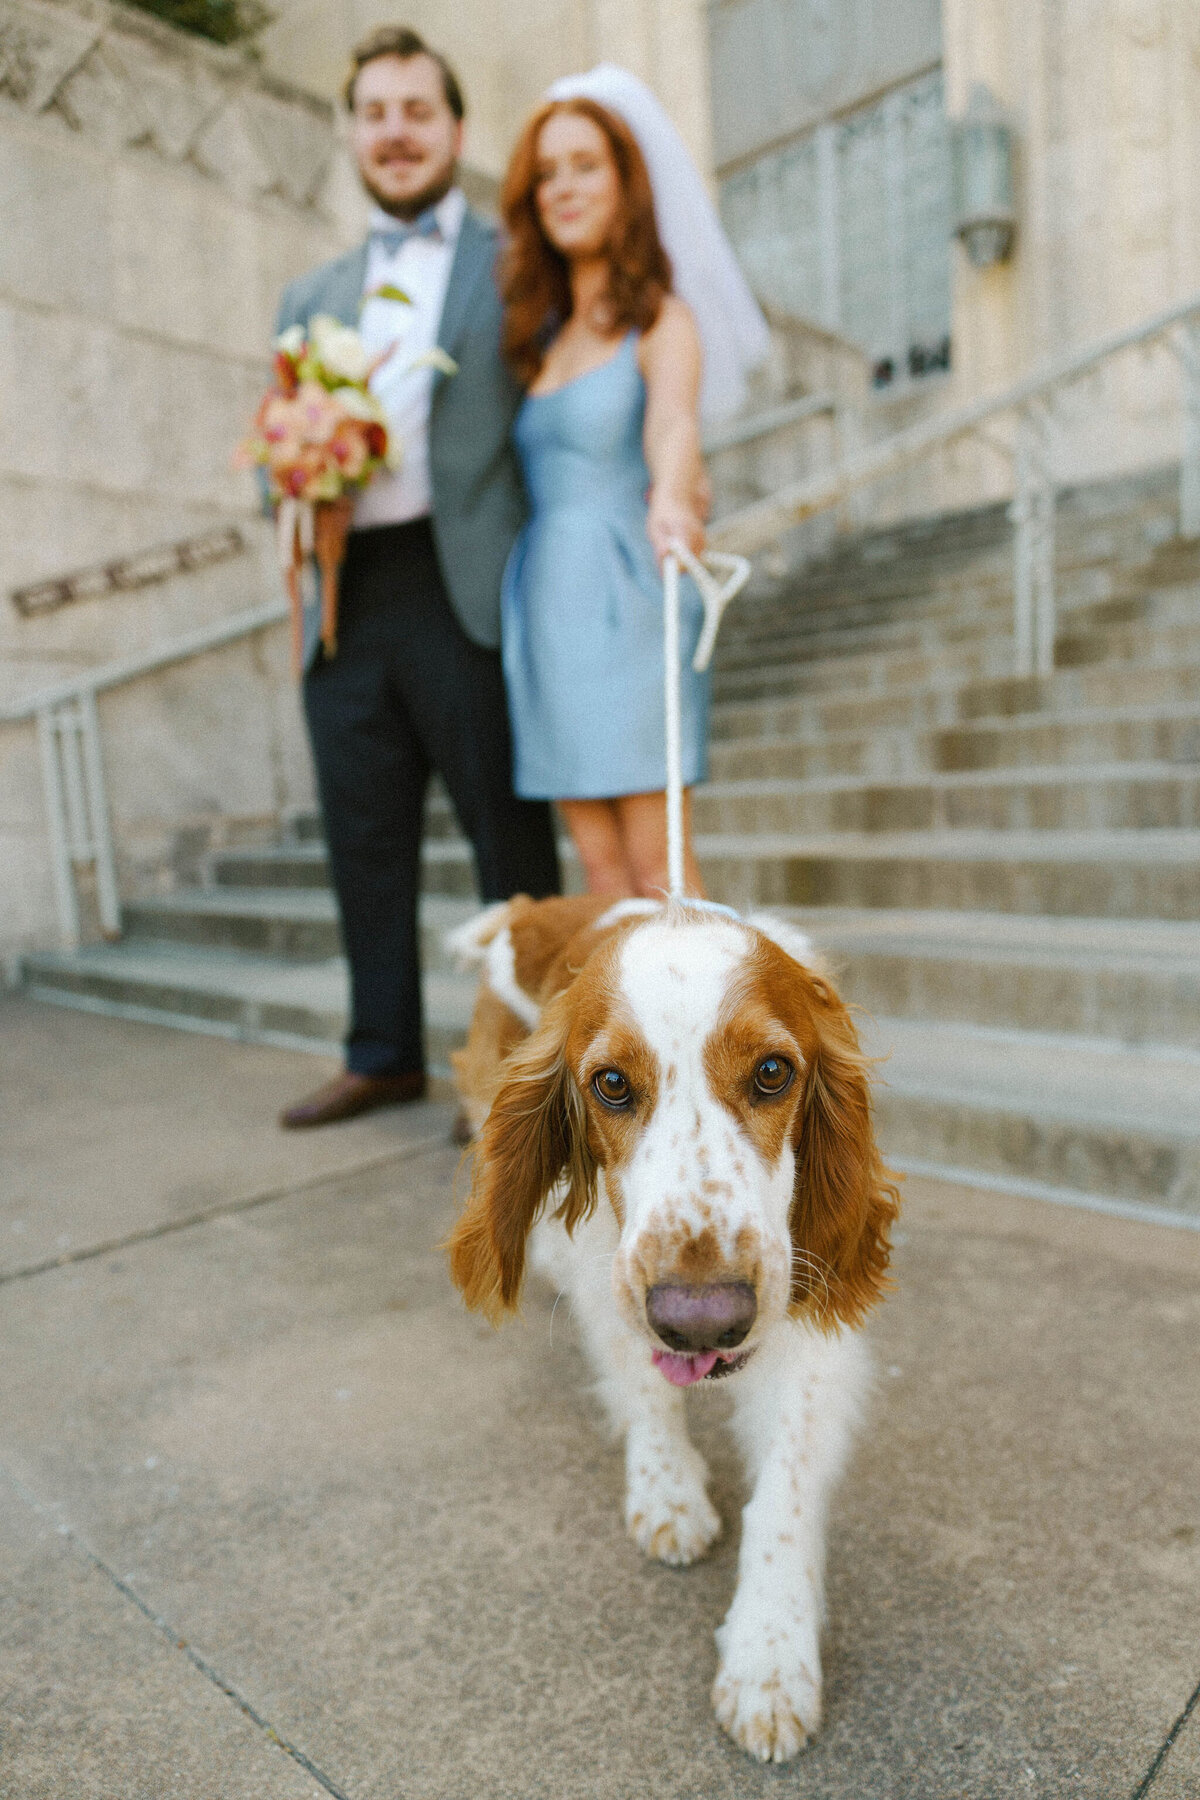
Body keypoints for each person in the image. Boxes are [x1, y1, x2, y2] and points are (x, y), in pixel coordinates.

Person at [274, 28, 560, 1129]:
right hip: (347, 597)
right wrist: (297, 473)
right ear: (352, 132)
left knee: (508, 842)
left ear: (454, 129)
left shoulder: (515, 262)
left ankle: (526, 1066)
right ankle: (382, 1051)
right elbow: (272, 452)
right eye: (375, 113)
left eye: (416, 111)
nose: (395, 132)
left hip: (467, 584)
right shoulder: (309, 294)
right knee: (364, 840)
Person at [497, 76, 767, 898]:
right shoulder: (539, 337)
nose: (564, 187)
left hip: (630, 593)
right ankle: (623, 995)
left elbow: (672, 424)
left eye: (585, 165)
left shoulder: (662, 320)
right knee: (600, 872)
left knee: (661, 868)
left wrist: (676, 496)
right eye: (547, 173)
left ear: (626, 182)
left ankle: (712, 992)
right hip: (548, 606)